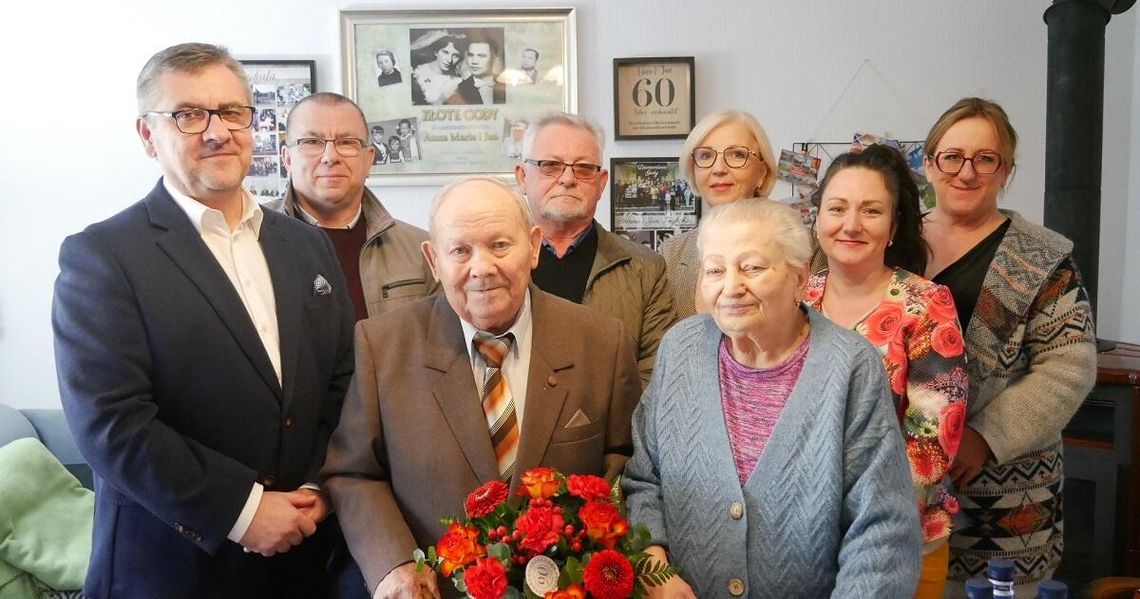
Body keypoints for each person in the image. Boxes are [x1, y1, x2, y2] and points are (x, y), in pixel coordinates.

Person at [52, 42, 356, 598]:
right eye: (188, 115)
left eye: (233, 112)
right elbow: (110, 423)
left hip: (304, 554)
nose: (218, 131)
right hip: (173, 566)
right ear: (148, 136)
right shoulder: (102, 256)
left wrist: (318, 485)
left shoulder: (306, 244)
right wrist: (243, 510)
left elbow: (341, 379)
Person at [321, 176, 641, 598]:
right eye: (460, 250)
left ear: (532, 247)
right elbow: (354, 472)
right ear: (433, 260)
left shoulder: (602, 341)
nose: (482, 268)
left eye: (500, 245)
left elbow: (626, 461)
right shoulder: (381, 345)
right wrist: (392, 563)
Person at [623, 198, 921, 598]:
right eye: (715, 270)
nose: (731, 286)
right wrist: (654, 568)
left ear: (799, 278)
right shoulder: (681, 348)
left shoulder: (850, 366)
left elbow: (881, 531)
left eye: (752, 267)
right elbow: (644, 477)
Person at [919, 98, 1097, 597]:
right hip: (902, 489)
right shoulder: (893, 240)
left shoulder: (1041, 256)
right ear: (929, 163)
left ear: (1006, 170)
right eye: (951, 156)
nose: (966, 172)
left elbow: (1068, 367)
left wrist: (985, 437)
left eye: (986, 159)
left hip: (1005, 493)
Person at [803, 144, 968, 598]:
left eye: (871, 211)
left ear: (893, 226)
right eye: (837, 208)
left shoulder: (926, 304)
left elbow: (933, 443)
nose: (851, 224)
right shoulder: (796, 298)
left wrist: (847, 510)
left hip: (899, 538)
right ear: (817, 218)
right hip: (800, 540)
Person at [514, 112, 675, 387]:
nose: (567, 179)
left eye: (584, 168)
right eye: (551, 165)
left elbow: (657, 378)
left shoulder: (646, 270)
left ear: (601, 183)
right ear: (522, 177)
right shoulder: (490, 265)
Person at [275, 92, 438, 322]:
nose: (330, 157)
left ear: (369, 159)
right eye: (311, 142)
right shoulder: (251, 241)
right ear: (287, 159)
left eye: (346, 142)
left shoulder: (421, 251)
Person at [660, 109, 778, 318]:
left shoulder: (800, 246)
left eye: (737, 154)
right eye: (706, 156)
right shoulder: (671, 254)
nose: (719, 168)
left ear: (762, 173)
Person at [448, 35, 506, 105]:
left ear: (493, 58)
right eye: (471, 55)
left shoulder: (505, 85)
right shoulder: (459, 90)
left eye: (481, 56)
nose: (474, 61)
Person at [410, 31, 464, 105]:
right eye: (445, 52)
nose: (449, 60)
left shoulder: (456, 82)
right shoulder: (415, 70)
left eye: (455, 56)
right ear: (436, 52)